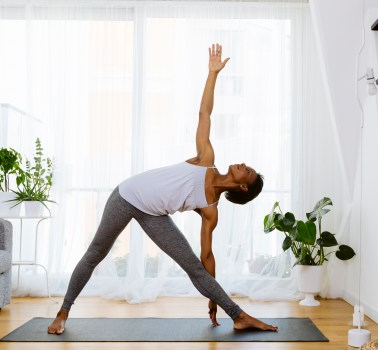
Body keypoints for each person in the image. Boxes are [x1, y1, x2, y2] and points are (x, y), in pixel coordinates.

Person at [48, 43, 278, 335]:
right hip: (127, 196)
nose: (242, 164)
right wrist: (213, 74)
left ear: (243, 186)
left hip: (154, 215)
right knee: (96, 253)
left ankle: (238, 315)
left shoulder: (210, 210)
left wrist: (213, 294)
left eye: (247, 169)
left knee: (193, 266)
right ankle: (63, 312)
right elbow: (204, 113)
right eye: (245, 164)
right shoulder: (206, 160)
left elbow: (206, 257)